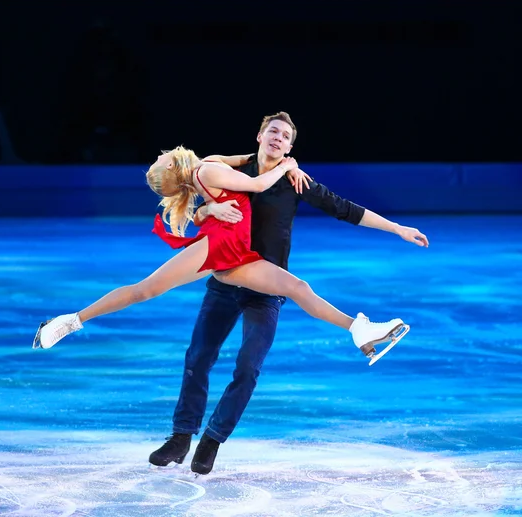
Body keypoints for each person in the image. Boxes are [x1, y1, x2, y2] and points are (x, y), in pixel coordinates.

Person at [33, 135, 415, 456]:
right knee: (148, 291)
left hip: (241, 258)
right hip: (218, 249)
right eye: (161, 158)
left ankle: (360, 330)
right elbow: (258, 184)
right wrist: (287, 166)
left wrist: (276, 169)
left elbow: (257, 167)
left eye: (284, 137)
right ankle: (72, 320)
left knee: (297, 288)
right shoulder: (210, 168)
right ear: (170, 165)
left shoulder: (215, 162)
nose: (163, 153)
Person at [147, 111, 429, 476]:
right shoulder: (236, 171)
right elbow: (195, 187)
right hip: (226, 279)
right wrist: (206, 210)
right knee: (198, 357)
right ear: (260, 136)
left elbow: (345, 209)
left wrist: (396, 228)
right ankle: (181, 437)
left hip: (267, 287)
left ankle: (212, 439)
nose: (278, 138)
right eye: (272, 132)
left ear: (290, 147)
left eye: (285, 136)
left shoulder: (296, 181)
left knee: (248, 368)